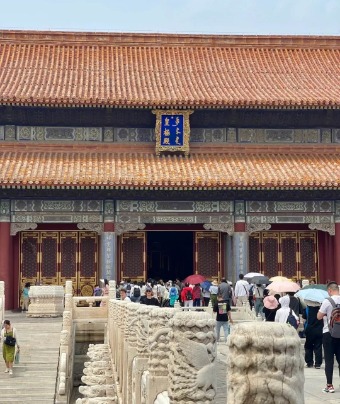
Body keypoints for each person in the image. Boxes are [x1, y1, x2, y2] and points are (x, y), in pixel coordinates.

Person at [317, 281, 340, 393]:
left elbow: (318, 316)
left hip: (328, 333)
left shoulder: (327, 301)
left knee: (329, 360)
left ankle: (329, 385)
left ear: (330, 290)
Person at [302, 300, 323, 369]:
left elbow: (304, 320)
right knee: (318, 346)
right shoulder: (321, 309)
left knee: (308, 346)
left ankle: (309, 362)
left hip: (309, 330)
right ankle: (318, 364)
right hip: (319, 329)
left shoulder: (306, 309)